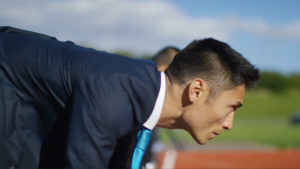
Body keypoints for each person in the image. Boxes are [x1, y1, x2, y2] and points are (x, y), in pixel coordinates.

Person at [0, 26, 259, 169]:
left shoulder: (142, 95)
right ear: (196, 91)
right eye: (231, 107)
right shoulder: (117, 92)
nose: (229, 123)